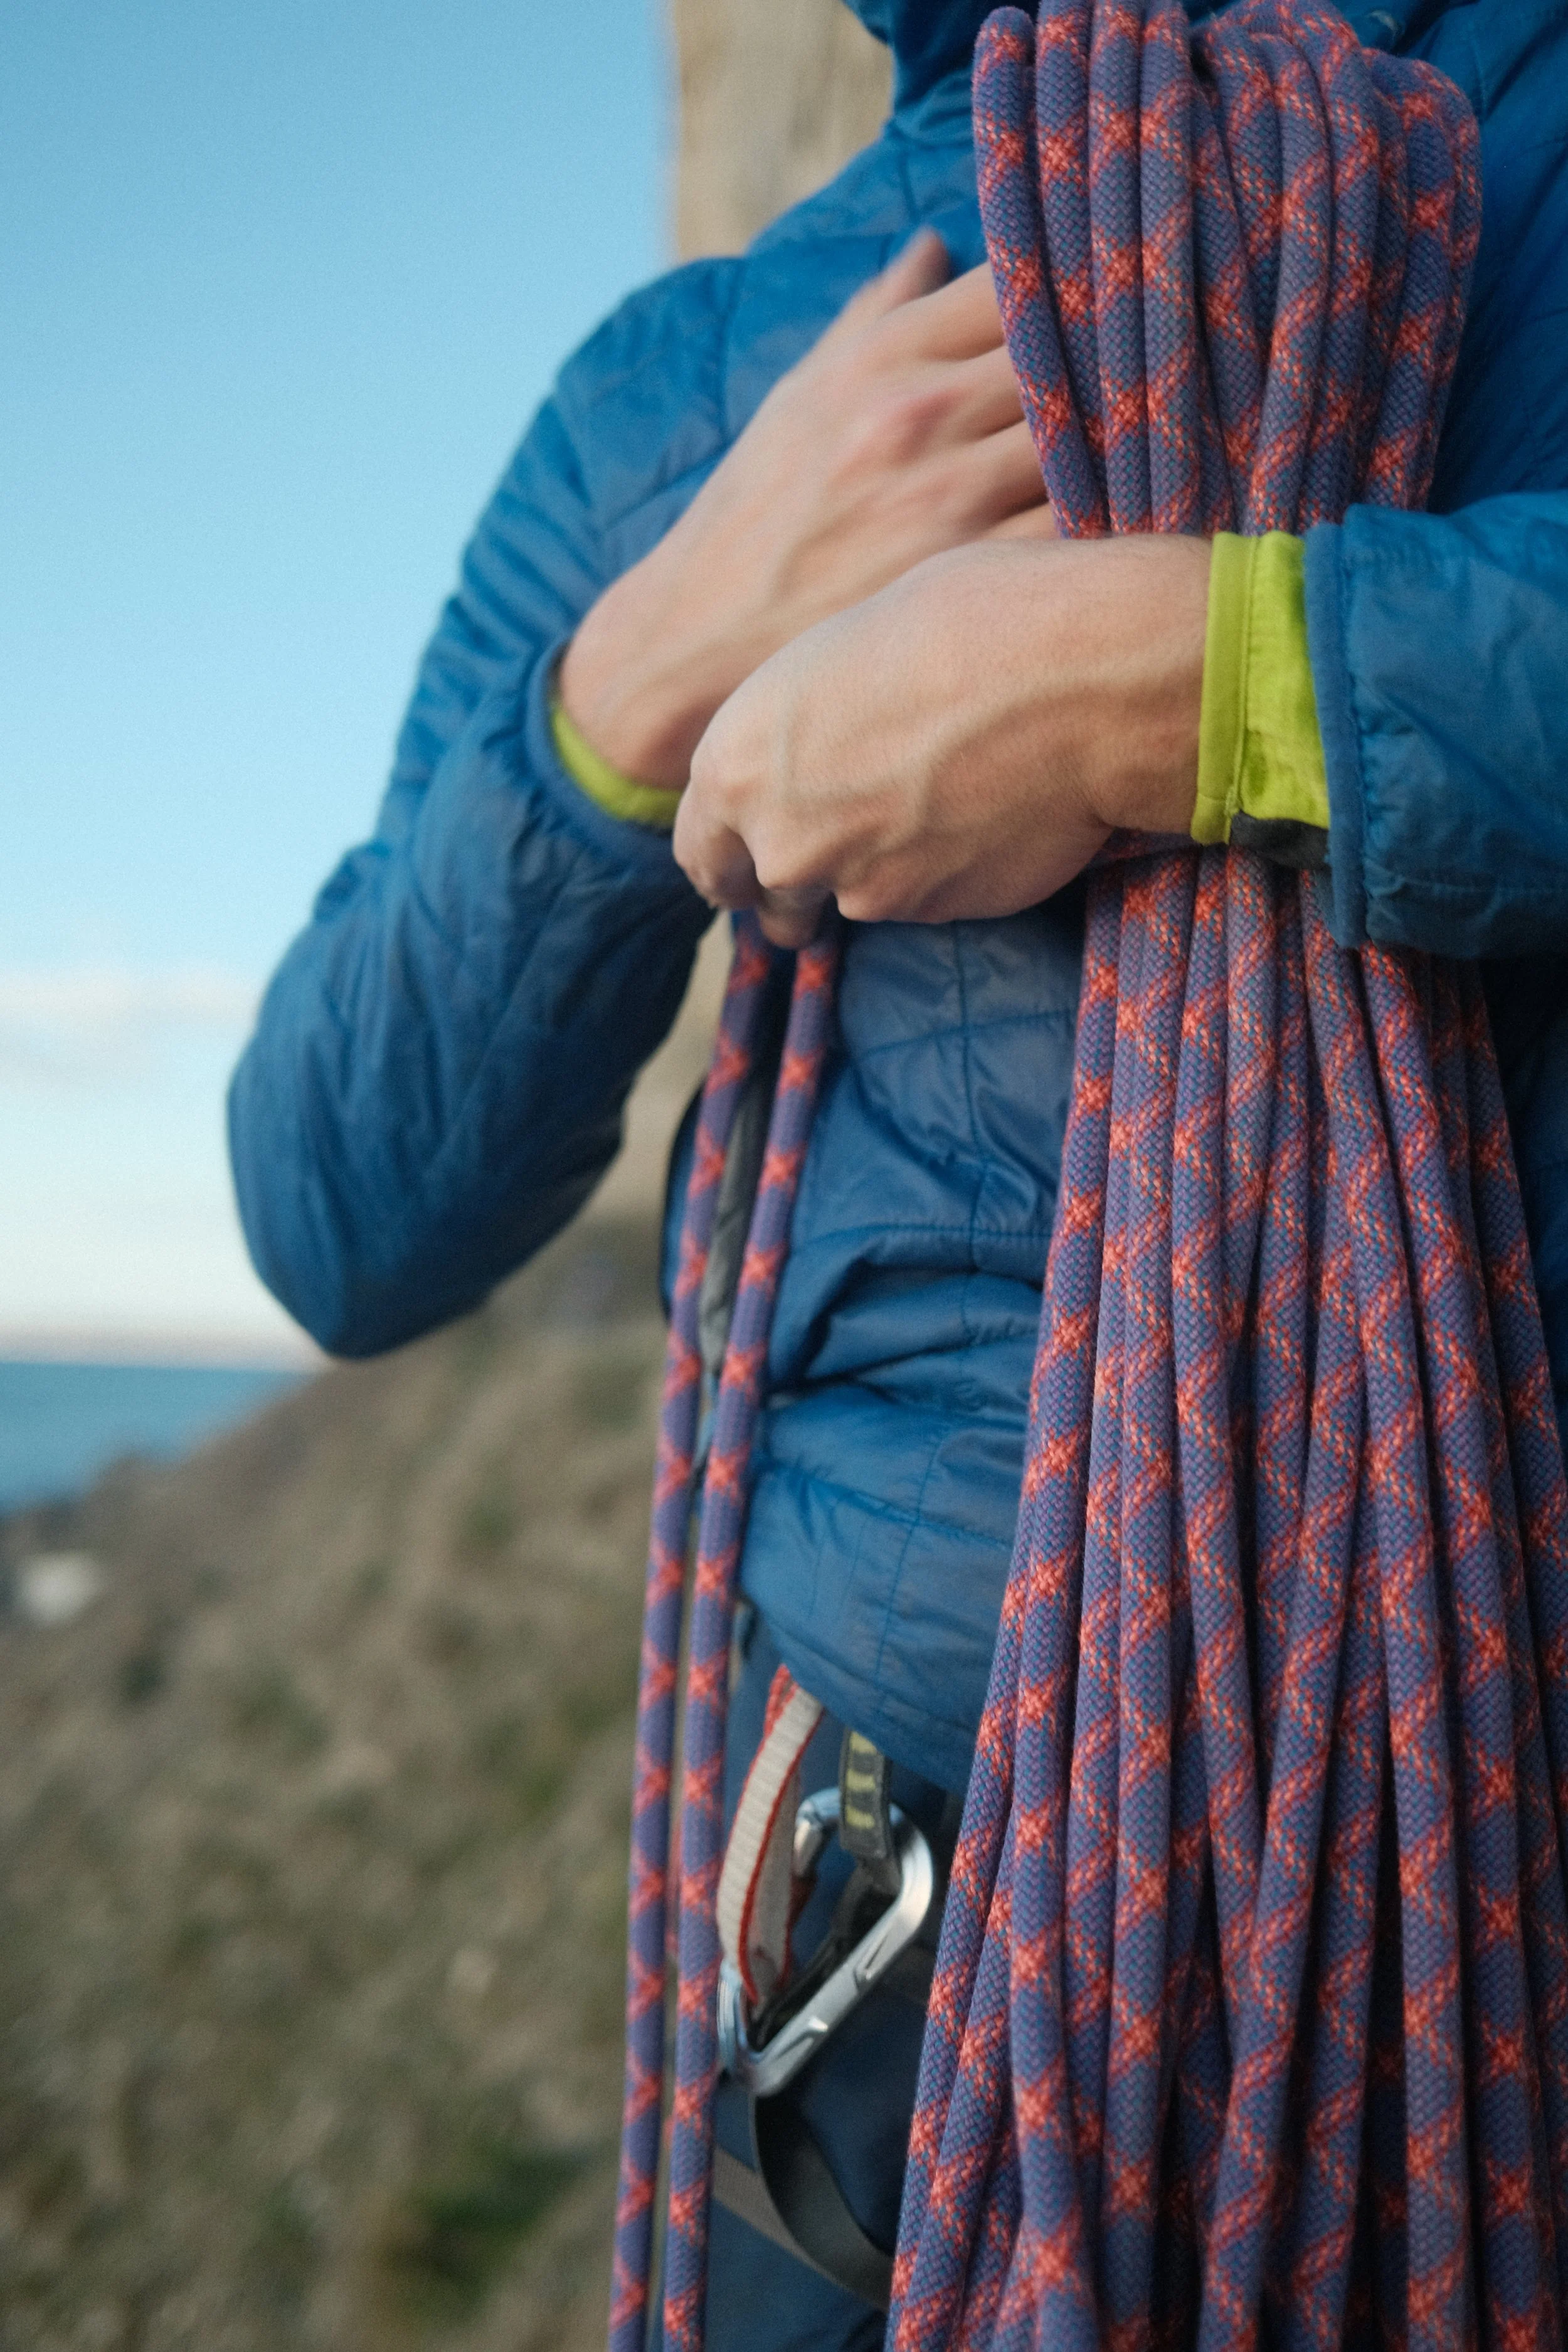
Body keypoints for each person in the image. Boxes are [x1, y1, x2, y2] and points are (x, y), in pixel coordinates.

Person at [229, 0, 1568, 2343]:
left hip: (1486, 1842)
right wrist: (638, 679)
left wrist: (1212, 680)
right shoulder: (707, 376)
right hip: (894, 1946)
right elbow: (333, 1194)